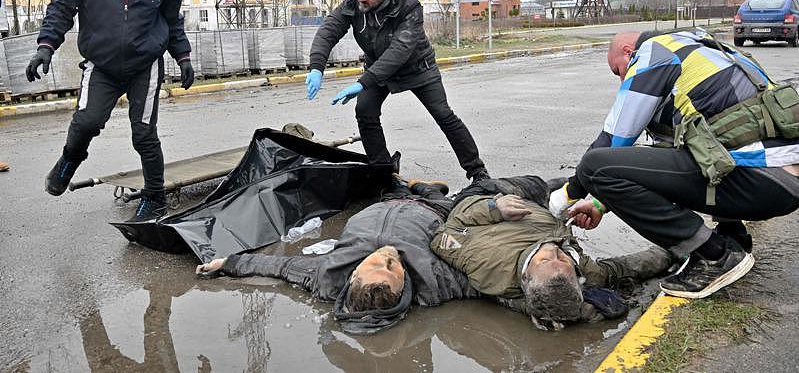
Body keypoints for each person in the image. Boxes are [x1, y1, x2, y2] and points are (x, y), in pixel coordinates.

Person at [553, 29, 799, 299]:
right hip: (781, 180)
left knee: (594, 165)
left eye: (617, 70)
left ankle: (715, 255)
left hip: (763, 182)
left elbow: (613, 141)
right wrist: (601, 203)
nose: (622, 79)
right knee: (703, 144)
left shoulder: (655, 54)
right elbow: (666, 162)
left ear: (627, 51)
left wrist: (568, 194)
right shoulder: (700, 46)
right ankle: (734, 236)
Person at [25, 0, 195, 221]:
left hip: (145, 62)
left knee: (144, 132)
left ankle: (155, 198)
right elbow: (62, 4)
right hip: (101, 63)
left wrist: (183, 55)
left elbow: (172, 19)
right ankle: (68, 161)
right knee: (87, 121)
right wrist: (46, 45)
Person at [196, 179, 479, 334]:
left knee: (391, 187)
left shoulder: (327, 275)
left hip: (384, 204)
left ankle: (408, 185)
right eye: (392, 266)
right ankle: (422, 187)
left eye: (379, 263)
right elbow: (486, 280)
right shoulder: (436, 283)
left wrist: (228, 263)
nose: (386, 254)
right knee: (446, 198)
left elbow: (279, 266)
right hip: (430, 211)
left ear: (353, 274)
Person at [304, 0, 489, 184]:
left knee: (443, 115)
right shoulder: (354, 3)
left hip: (418, 68)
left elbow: (400, 50)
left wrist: (363, 82)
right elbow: (328, 31)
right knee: (365, 111)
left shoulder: (409, 7)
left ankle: (478, 172)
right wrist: (316, 66)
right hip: (378, 67)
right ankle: (384, 173)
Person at [432, 175, 674, 330]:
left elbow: (443, 234)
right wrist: (674, 252)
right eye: (563, 259)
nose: (553, 250)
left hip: (485, 196)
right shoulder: (585, 271)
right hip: (539, 210)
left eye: (546, 260)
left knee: (549, 186)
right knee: (572, 185)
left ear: (525, 277)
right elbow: (624, 268)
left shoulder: (485, 264)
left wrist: (494, 208)